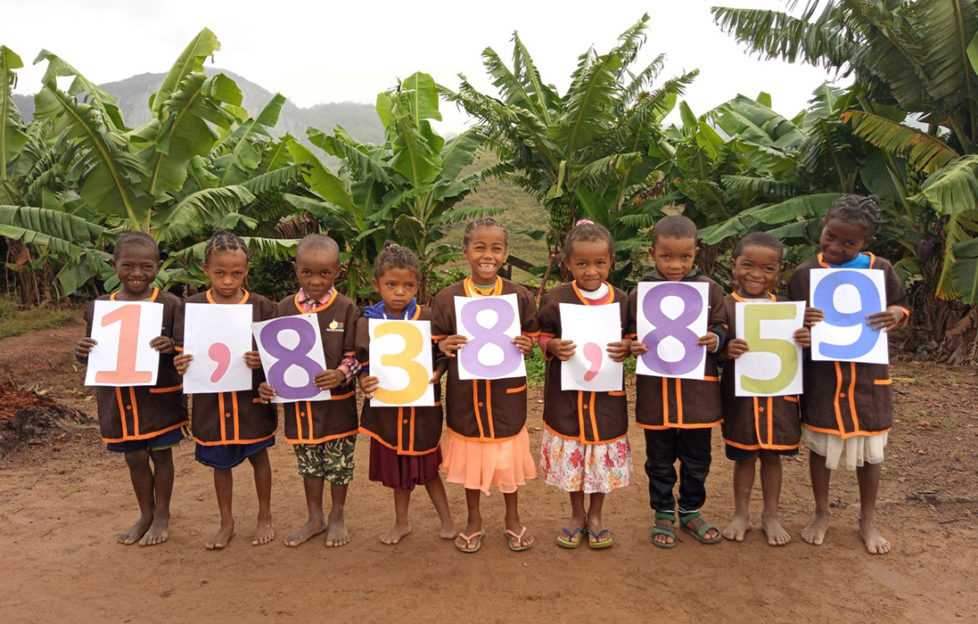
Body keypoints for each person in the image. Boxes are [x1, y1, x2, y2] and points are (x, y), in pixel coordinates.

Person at [787, 194, 909, 555]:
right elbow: (791, 324)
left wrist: (897, 315)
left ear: (867, 243)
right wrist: (802, 329)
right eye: (830, 236)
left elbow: (902, 305)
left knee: (871, 451)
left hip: (868, 379)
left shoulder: (880, 269)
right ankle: (821, 513)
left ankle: (867, 519)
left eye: (849, 242)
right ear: (822, 228)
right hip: (824, 379)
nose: (836, 246)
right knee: (822, 447)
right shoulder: (804, 274)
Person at [431, 218, 538, 553]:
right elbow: (436, 343)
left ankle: (512, 519)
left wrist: (527, 344)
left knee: (507, 460)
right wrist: (443, 347)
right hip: (467, 394)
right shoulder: (448, 298)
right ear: (466, 252)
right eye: (480, 247)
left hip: (506, 395)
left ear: (505, 254)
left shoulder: (519, 296)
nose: (487, 255)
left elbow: (532, 336)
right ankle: (473, 520)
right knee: (472, 461)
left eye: (496, 248)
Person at [75, 232, 187, 546]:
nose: (137, 274)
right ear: (113, 265)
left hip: (157, 399)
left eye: (147, 266)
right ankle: (145, 513)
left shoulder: (171, 304)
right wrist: (81, 352)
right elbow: (92, 356)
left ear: (159, 266)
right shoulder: (99, 307)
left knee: (162, 455)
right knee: (135, 458)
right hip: (118, 399)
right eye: (128, 266)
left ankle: (162, 514)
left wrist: (172, 347)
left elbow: (185, 351)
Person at [173, 230, 277, 550]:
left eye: (236, 273)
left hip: (251, 402)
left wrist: (263, 361)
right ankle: (226, 521)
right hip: (211, 404)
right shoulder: (189, 308)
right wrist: (181, 364)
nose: (228, 281)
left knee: (258, 456)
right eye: (220, 273)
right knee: (220, 464)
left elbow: (277, 359)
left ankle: (264, 516)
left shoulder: (263, 306)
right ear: (205, 269)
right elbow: (181, 354)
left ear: (248, 270)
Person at [629, 215, 727, 548]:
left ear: (696, 253)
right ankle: (662, 513)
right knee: (658, 459)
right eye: (666, 256)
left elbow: (723, 326)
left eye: (685, 257)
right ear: (652, 253)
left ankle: (690, 510)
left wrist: (715, 339)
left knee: (697, 458)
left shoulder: (710, 289)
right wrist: (633, 344)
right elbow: (628, 332)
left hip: (697, 397)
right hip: (656, 395)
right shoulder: (640, 293)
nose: (675, 264)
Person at [258, 234, 360, 548]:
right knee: (309, 465)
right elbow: (272, 356)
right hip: (299, 409)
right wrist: (267, 384)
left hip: (337, 409)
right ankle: (314, 517)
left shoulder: (346, 308)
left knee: (339, 466)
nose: (316, 280)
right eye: (307, 272)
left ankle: (337, 515)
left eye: (325, 273)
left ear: (338, 270)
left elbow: (354, 356)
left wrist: (341, 373)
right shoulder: (284, 307)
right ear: (296, 269)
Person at [537, 220, 632, 550]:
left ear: (611, 261)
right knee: (575, 456)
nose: (591, 271)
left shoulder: (621, 300)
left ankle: (596, 517)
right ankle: (576, 515)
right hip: (568, 397)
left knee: (599, 455)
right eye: (582, 263)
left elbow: (631, 338)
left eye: (599, 263)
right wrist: (551, 346)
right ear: (568, 263)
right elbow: (542, 332)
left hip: (605, 398)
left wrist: (628, 347)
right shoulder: (557, 297)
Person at [356, 242, 456, 545]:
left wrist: (439, 372)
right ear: (376, 285)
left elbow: (442, 356)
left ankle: (448, 520)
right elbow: (362, 363)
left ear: (418, 286)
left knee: (428, 469)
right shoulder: (367, 322)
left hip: (421, 412)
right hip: (388, 412)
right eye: (391, 284)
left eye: (408, 285)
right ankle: (402, 523)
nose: (400, 292)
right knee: (399, 472)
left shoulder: (428, 319)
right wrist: (363, 379)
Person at [718, 232, 810, 546]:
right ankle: (740, 513)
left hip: (779, 400)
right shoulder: (725, 307)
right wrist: (725, 349)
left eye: (768, 269)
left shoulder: (789, 310)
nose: (757, 274)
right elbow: (712, 348)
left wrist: (805, 340)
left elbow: (804, 353)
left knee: (772, 458)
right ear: (733, 266)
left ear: (780, 271)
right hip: (741, 401)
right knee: (744, 458)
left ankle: (771, 515)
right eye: (748, 265)